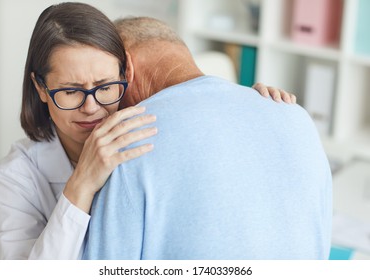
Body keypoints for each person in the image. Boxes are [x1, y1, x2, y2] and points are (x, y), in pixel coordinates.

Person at [0, 3, 294, 260]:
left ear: (126, 74)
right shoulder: (15, 177)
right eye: (70, 91)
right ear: (41, 87)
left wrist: (252, 105)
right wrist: (79, 186)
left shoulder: (147, 123)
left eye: (106, 86)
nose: (92, 107)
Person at [83, 17, 333, 260]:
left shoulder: (131, 142)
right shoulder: (296, 116)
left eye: (106, 86)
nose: (106, 107)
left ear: (127, 67)